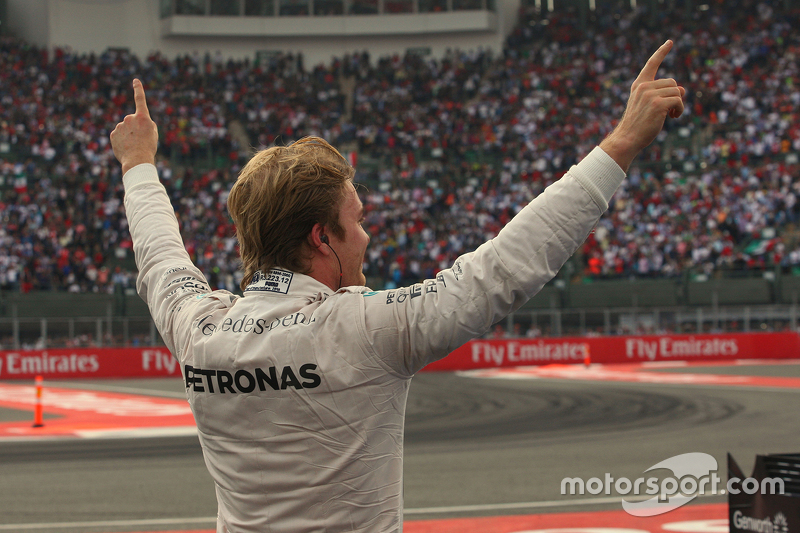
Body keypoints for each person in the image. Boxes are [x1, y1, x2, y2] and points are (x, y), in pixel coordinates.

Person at [111, 40, 684, 533]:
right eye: (356, 220)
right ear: (322, 238)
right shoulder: (363, 328)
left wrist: (138, 162)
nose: (366, 236)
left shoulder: (199, 329)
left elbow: (160, 258)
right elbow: (504, 268)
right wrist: (623, 143)